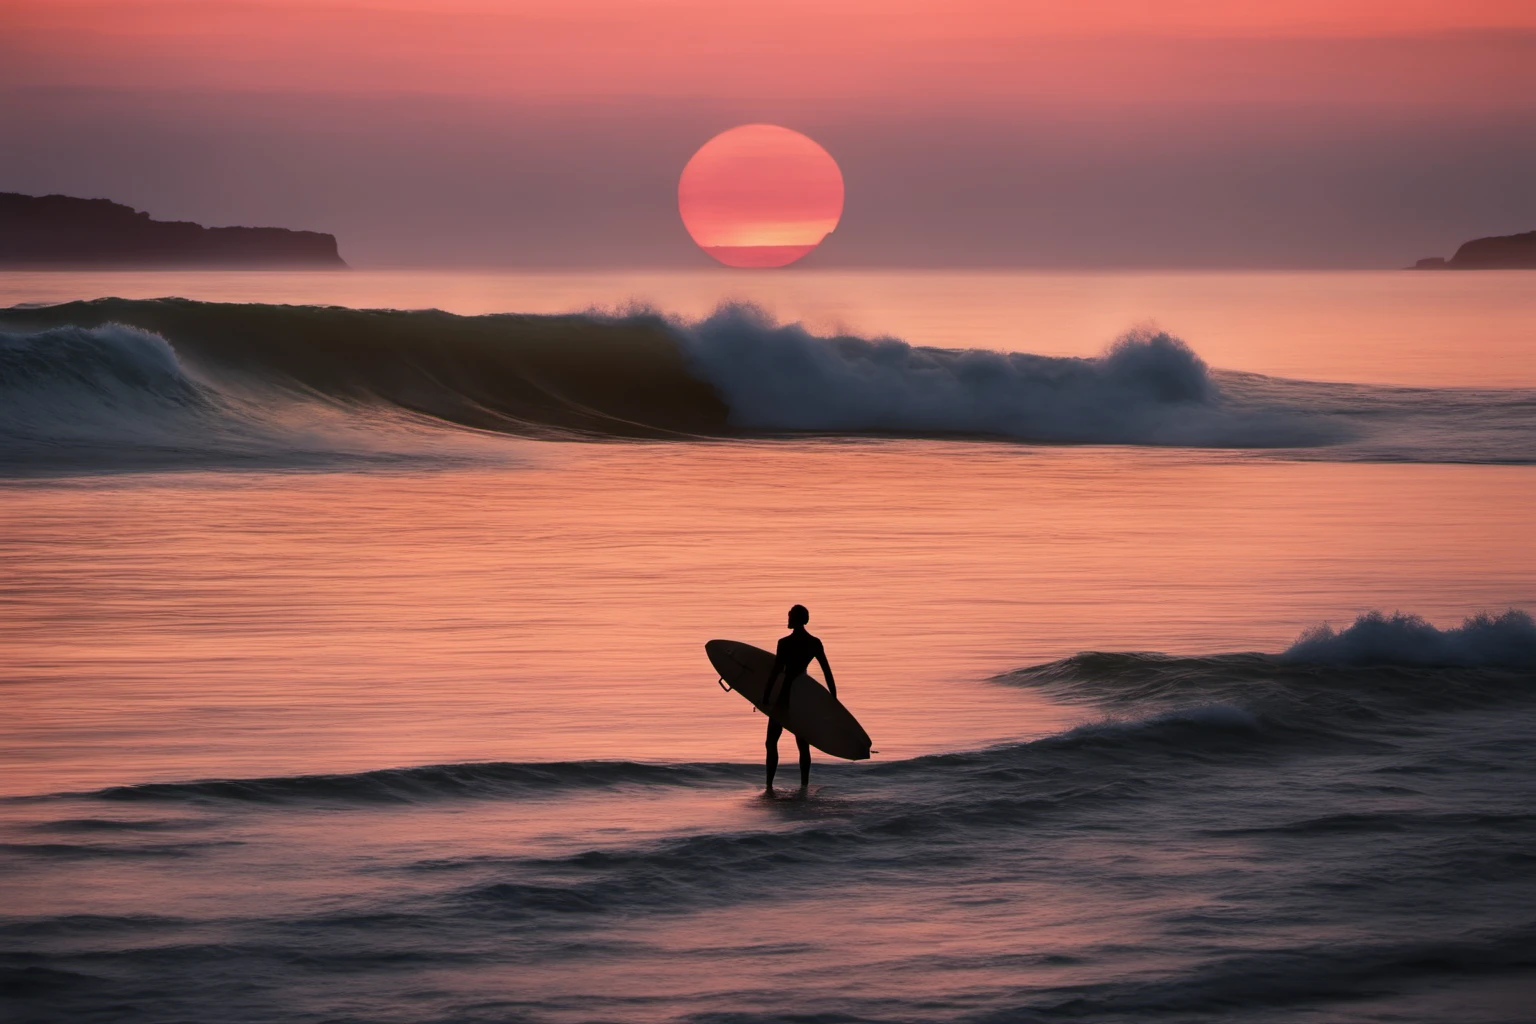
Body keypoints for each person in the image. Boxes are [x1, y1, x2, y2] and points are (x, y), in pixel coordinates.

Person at [762, 604, 834, 792]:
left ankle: (769, 786)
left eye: (790, 616)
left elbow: (775, 672)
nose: (788, 619)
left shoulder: (784, 643)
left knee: (771, 742)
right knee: (803, 744)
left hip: (784, 696)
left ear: (795, 619)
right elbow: (827, 672)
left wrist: (765, 697)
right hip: (802, 697)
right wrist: (833, 699)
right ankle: (804, 786)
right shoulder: (814, 642)